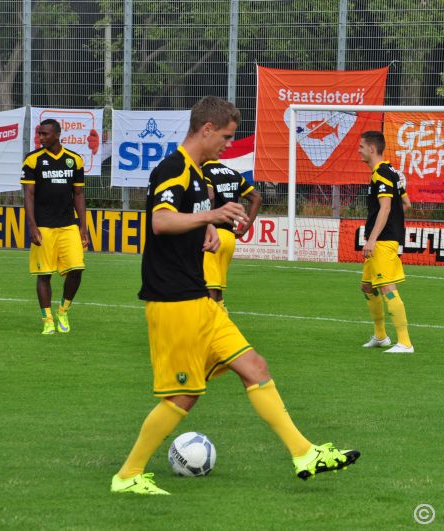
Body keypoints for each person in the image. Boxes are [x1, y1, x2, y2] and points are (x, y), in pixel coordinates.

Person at [111, 96, 359, 496]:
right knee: (183, 396)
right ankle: (127, 475)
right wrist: (210, 217)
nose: (228, 144)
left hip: (201, 301)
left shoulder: (196, 174)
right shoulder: (173, 169)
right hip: (174, 302)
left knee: (255, 367)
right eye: (225, 136)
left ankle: (303, 453)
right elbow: (159, 221)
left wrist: (203, 229)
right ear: (206, 129)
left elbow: (184, 219)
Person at [21, 118, 89, 335]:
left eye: (45, 134)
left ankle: (63, 310)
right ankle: (47, 319)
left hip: (68, 225)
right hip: (43, 226)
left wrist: (83, 227)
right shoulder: (33, 160)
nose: (40, 137)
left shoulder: (74, 160)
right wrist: (32, 226)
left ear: (57, 134)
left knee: (77, 269)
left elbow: (78, 194)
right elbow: (28, 195)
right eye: (39, 133)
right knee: (45, 275)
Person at [357, 130, 413, 354]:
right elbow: (406, 204)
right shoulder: (393, 172)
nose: (359, 151)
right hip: (386, 238)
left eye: (361, 147)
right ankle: (381, 337)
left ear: (372, 149)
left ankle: (405, 342)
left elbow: (386, 207)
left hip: (383, 241)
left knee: (388, 289)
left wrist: (372, 240)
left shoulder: (381, 174)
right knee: (367, 287)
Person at [202, 159, 262, 312]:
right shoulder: (233, 173)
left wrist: (205, 217)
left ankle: (209, 327)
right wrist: (244, 228)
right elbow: (256, 198)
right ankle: (223, 327)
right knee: (218, 291)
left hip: (213, 236)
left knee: (209, 290)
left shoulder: (205, 172)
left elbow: (209, 196)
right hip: (229, 237)